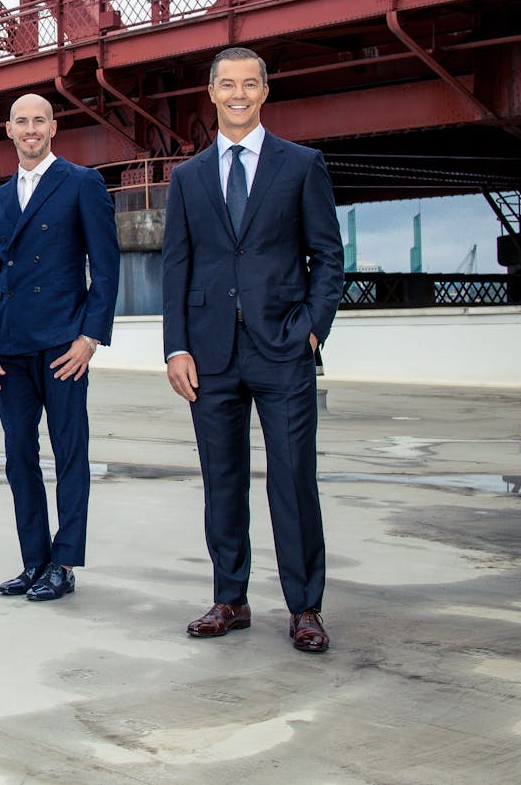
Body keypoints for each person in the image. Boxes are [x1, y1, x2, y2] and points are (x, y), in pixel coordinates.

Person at [161, 46, 344, 653]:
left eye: (250, 84)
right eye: (227, 85)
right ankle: (230, 598)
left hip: (284, 346)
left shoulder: (301, 165)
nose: (238, 94)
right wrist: (175, 348)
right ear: (211, 93)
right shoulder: (187, 177)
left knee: (293, 480)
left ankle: (305, 608)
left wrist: (314, 326)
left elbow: (328, 256)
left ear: (265, 92)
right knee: (222, 480)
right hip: (210, 354)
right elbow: (177, 267)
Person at [0, 94, 120, 603]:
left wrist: (90, 338)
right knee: (20, 459)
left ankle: (64, 561)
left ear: (53, 128)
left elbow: (105, 268)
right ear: (8, 130)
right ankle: (34, 560)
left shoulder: (82, 183)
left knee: (70, 453)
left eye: (39, 120)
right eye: (22, 122)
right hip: (10, 349)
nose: (31, 129)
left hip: (63, 346)